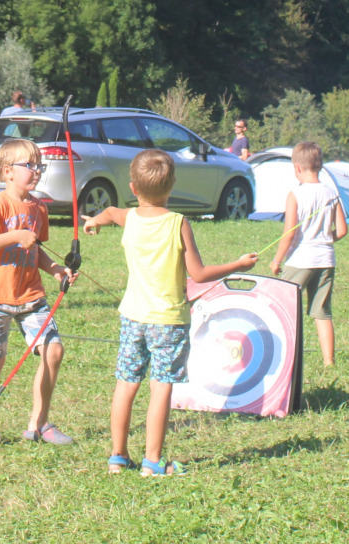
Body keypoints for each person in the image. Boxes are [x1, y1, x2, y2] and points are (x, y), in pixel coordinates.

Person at [84, 149, 258, 475]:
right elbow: (199, 274)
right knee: (161, 388)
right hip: (168, 322)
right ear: (172, 186)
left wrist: (94, 220)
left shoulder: (129, 218)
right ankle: (152, 462)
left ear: (133, 188)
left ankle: (117, 456)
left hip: (132, 318)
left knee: (126, 384)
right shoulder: (178, 223)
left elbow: (110, 212)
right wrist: (237, 265)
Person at [0, 139, 75, 447]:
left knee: (53, 351)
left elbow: (35, 249)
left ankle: (38, 423)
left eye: (39, 165)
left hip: (31, 297)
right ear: (7, 172)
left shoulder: (38, 208)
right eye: (29, 165)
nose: (36, 171)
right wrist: (14, 235)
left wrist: (55, 269)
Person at [267, 140, 348, 366]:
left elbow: (289, 234)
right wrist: (325, 239)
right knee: (322, 312)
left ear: (297, 168)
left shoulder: (295, 194)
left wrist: (276, 260)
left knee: (284, 308)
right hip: (325, 260)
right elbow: (342, 230)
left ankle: (284, 358)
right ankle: (329, 361)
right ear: (320, 165)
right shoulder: (331, 193)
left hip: (300, 260)